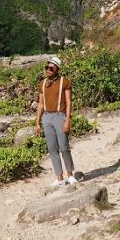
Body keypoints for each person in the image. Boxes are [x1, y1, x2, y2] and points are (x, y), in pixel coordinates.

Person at [34, 56, 76, 186]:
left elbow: (69, 102)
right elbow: (41, 104)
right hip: (47, 117)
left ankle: (70, 174)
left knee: (64, 147)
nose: (48, 70)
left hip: (60, 116)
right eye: (47, 67)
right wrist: (37, 122)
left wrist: (67, 120)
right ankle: (59, 177)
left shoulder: (65, 82)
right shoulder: (42, 83)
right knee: (52, 148)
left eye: (51, 68)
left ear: (57, 69)